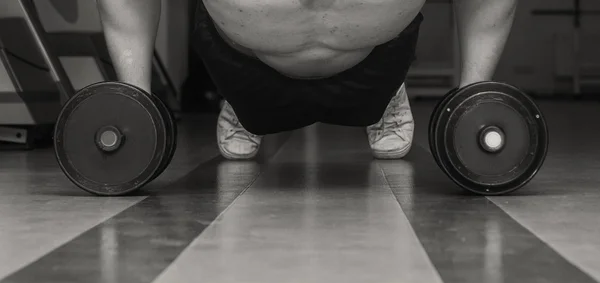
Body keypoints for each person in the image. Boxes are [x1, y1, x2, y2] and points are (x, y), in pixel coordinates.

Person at [96, 0, 517, 160]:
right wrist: (134, 104)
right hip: (244, 70)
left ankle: (387, 100)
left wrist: (473, 97)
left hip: (375, 67)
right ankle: (241, 109)